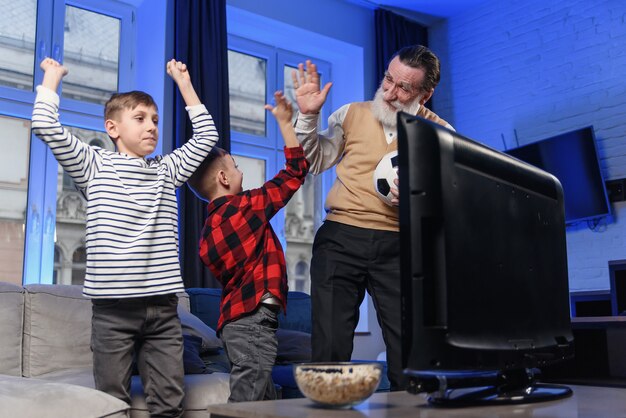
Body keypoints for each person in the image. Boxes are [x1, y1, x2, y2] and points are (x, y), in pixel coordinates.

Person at [32, 57, 219, 417]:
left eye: (155, 120)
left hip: (163, 309)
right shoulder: (93, 165)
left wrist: (184, 83)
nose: (151, 126)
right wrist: (51, 79)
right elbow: (44, 124)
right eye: (140, 118)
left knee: (169, 402)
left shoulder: (166, 170)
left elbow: (207, 136)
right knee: (111, 402)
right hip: (113, 310)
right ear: (112, 127)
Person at [291, 45, 453, 391]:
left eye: (404, 88)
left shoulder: (440, 134)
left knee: (409, 350)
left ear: (426, 94)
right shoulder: (350, 113)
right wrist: (307, 118)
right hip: (340, 238)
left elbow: (450, 200)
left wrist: (417, 198)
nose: (390, 93)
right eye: (388, 80)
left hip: (401, 245)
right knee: (330, 348)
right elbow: (315, 161)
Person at [188, 91, 309, 402]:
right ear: (224, 177)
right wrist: (285, 123)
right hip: (254, 321)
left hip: (233, 323)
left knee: (265, 401)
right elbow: (295, 172)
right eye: (236, 166)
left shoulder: (207, 232)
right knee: (248, 403)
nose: (241, 172)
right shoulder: (246, 207)